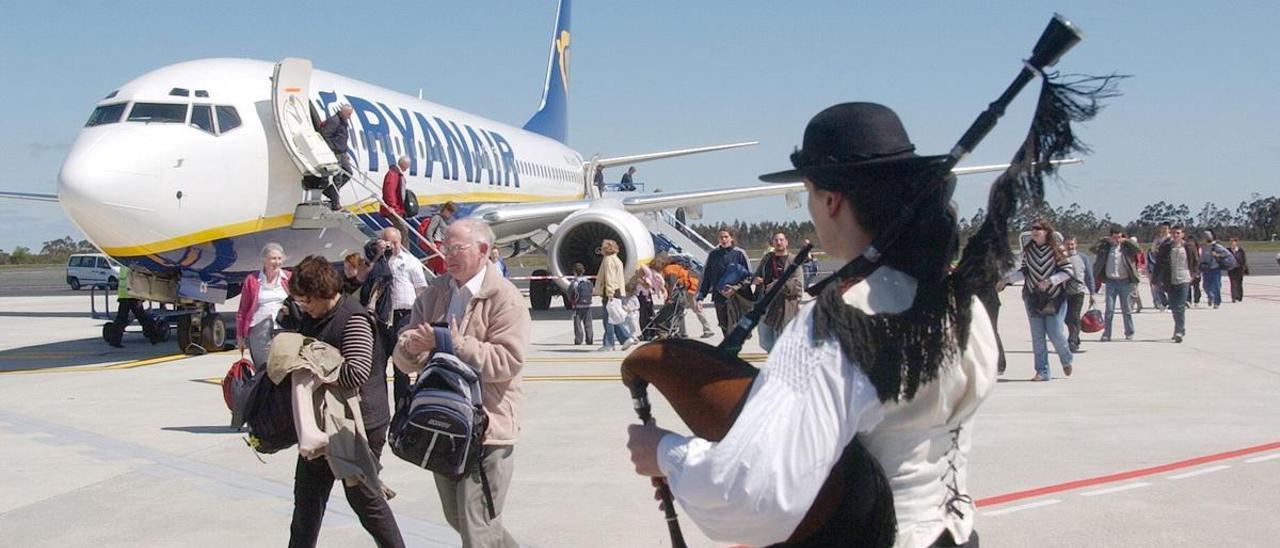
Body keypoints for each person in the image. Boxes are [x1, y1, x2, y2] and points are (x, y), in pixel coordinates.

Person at [627, 103, 998, 546]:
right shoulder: (962, 303)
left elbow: (757, 493)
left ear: (831, 199)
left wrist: (666, 454)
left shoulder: (839, 321)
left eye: (808, 192)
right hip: (957, 535)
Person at [392, 218, 529, 548]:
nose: (447, 255)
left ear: (483, 250)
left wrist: (452, 343)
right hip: (443, 424)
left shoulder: (505, 298)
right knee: (462, 517)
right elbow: (403, 353)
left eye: (456, 248)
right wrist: (411, 346)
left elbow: (507, 361)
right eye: (444, 247)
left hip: (486, 428)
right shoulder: (437, 291)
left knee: (477, 524)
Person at [286, 255, 403, 548]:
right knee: (307, 501)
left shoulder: (353, 319)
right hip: (324, 421)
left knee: (365, 500)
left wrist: (312, 366)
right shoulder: (315, 317)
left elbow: (356, 372)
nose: (303, 307)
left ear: (324, 293)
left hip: (358, 424)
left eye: (306, 301)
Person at [1009, 221, 1074, 381]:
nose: (1035, 231)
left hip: (1055, 298)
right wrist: (1007, 280)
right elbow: (1024, 271)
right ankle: (1042, 371)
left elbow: (1068, 271)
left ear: (1046, 231)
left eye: (1038, 228)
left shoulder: (1057, 249)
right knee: (1037, 336)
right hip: (1033, 298)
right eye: (1033, 229)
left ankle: (1066, 358)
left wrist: (1050, 281)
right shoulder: (1028, 250)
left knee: (1055, 333)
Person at [379, 227, 428, 411]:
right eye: (387, 242)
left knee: (402, 367)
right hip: (383, 318)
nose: (391, 246)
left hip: (404, 316)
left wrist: (421, 316)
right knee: (379, 366)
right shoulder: (379, 262)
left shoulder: (410, 262)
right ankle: (382, 410)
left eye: (394, 242)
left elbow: (421, 290)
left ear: (400, 242)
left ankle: (402, 409)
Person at [236, 243, 291, 369]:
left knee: (284, 369)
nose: (276, 262)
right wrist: (240, 337)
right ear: (264, 260)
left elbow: (300, 301)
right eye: (273, 258)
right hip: (259, 330)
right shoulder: (252, 280)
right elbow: (243, 310)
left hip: (284, 329)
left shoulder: (288, 278)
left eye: (279, 258)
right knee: (263, 369)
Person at [752, 232, 803, 351]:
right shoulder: (767, 259)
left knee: (780, 340)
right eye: (776, 240)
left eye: (781, 240)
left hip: (784, 305)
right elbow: (756, 275)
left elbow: (798, 284)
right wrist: (755, 280)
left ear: (786, 242)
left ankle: (778, 364)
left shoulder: (793, 261)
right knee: (765, 342)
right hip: (765, 305)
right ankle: (775, 358)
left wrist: (777, 285)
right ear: (773, 243)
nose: (779, 242)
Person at [697, 229, 751, 336]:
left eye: (726, 237)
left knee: (737, 329)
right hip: (719, 298)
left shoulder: (739, 254)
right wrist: (700, 297)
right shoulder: (713, 255)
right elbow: (706, 277)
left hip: (737, 297)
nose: (724, 239)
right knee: (724, 327)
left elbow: (749, 276)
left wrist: (736, 288)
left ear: (731, 238)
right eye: (721, 237)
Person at [1091, 227, 1140, 341]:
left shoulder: (1126, 248)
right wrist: (1102, 240)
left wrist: (1127, 240)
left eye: (1119, 237)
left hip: (1125, 281)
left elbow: (1138, 249)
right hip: (1111, 282)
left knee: (1126, 309)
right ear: (1110, 237)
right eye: (1114, 237)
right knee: (1109, 310)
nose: (1117, 239)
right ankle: (1107, 334)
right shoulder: (1106, 248)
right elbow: (1092, 249)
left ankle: (1129, 332)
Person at [1154, 226, 1198, 343]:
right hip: (1170, 280)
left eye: (1178, 233)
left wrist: (1193, 274)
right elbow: (1158, 264)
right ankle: (1179, 327)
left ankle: (1179, 331)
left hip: (1184, 279)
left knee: (1180, 306)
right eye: (1173, 233)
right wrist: (1155, 280)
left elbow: (1195, 261)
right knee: (1173, 306)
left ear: (1182, 234)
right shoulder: (1166, 247)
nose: (1175, 235)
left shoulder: (1189, 247)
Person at [593, 239, 636, 351]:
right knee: (614, 317)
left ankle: (609, 344)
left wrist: (609, 293)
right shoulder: (617, 260)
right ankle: (625, 339)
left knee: (608, 319)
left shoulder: (608, 260)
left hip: (611, 292)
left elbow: (610, 277)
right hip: (619, 291)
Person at [106, 264, 157, 348]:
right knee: (143, 318)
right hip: (133, 297)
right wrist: (140, 298)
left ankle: (114, 341)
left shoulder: (123, 267)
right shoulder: (133, 268)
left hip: (123, 297)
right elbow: (137, 284)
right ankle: (154, 337)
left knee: (120, 320)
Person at [1063, 236, 1096, 354]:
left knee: (1075, 315)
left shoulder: (1083, 258)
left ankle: (1072, 341)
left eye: (1072, 244)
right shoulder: (1060, 257)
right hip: (1063, 292)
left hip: (1078, 292)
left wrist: (1092, 293)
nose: (1070, 247)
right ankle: (1075, 337)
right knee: (1066, 318)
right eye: (1068, 244)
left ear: (1076, 244)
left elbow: (1089, 276)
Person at [318, 104, 354, 210]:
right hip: (336, 152)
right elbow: (325, 135)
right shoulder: (335, 121)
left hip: (342, 152)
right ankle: (335, 203)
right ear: (343, 112)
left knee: (348, 173)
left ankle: (330, 192)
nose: (350, 116)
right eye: (348, 114)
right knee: (337, 177)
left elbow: (342, 138)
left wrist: (346, 153)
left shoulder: (343, 121)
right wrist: (332, 149)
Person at [380, 155, 413, 243]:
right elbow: (389, 191)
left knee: (399, 230)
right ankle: (404, 252)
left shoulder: (397, 173)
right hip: (393, 208)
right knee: (403, 229)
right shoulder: (393, 174)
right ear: (403, 164)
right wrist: (392, 206)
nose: (408, 168)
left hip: (398, 208)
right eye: (408, 165)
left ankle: (397, 250)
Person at [421, 201, 457, 275]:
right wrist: (431, 242)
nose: (449, 213)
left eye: (451, 212)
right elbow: (430, 231)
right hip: (437, 244)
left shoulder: (448, 220)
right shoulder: (437, 218)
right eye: (449, 211)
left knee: (441, 264)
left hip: (444, 244)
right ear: (445, 209)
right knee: (439, 264)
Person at [1198, 229, 1231, 309]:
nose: (1205, 238)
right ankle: (1210, 296)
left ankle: (1217, 302)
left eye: (1207, 237)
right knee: (1205, 286)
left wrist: (1217, 255)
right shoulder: (1202, 246)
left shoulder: (1216, 246)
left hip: (1215, 268)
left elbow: (1227, 253)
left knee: (1216, 286)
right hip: (1206, 269)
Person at [634, 262, 665, 340]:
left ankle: (651, 332)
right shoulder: (646, 273)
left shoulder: (648, 274)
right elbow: (647, 284)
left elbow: (648, 284)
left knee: (648, 314)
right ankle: (647, 333)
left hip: (646, 295)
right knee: (645, 314)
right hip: (643, 295)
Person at [568, 262, 594, 345]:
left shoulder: (574, 283)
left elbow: (569, 293)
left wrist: (572, 301)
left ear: (574, 272)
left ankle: (578, 339)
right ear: (583, 271)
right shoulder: (588, 282)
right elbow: (591, 291)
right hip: (587, 305)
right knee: (588, 323)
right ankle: (589, 339)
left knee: (577, 323)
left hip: (577, 306)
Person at [1148, 222, 1171, 310]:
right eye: (1162, 228)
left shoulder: (1171, 239)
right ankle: (1163, 301)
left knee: (1169, 285)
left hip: (1169, 266)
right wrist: (1156, 242)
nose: (1164, 230)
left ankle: (1171, 301)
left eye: (1165, 228)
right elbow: (1152, 250)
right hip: (1159, 265)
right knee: (1157, 285)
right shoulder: (1158, 239)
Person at [1226, 237, 1249, 302]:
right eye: (1230, 243)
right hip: (1231, 269)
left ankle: (1239, 296)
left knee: (1239, 283)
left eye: (1233, 243)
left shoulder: (1240, 251)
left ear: (1236, 243)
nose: (1231, 244)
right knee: (1233, 283)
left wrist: (1244, 268)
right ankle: (1233, 297)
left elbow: (1244, 260)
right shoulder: (1227, 250)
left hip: (1239, 269)